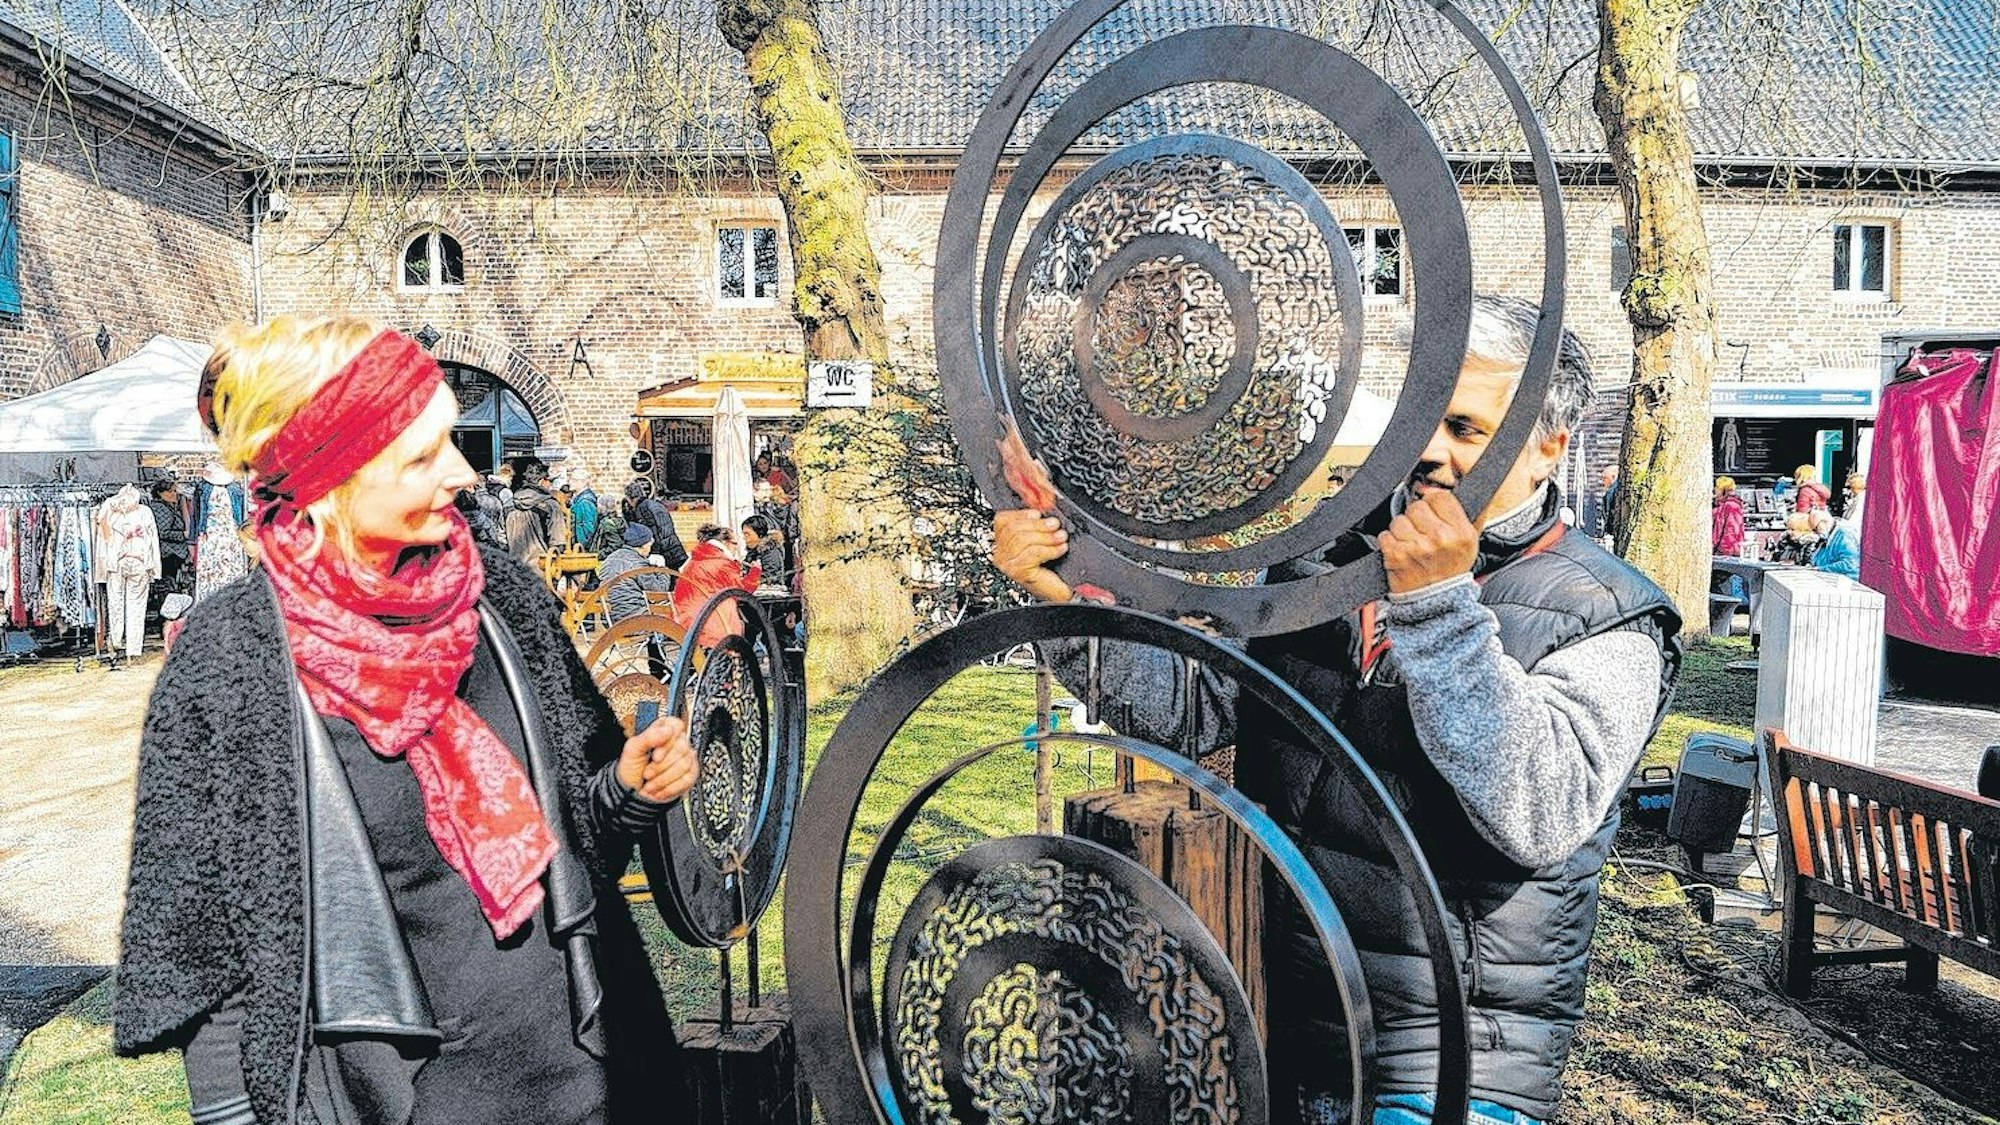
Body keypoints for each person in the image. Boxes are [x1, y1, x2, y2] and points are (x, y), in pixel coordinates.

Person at [992, 294, 1682, 1125]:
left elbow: (1538, 810)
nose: (1430, 450)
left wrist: (1436, 605)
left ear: (1548, 449)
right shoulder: (1325, 562)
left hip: (1450, 1071)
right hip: (1283, 1033)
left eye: (1467, 428)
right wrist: (1067, 604)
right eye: (1422, 415)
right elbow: (1198, 705)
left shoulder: (1605, 614)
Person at [117, 316, 696, 1125]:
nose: (461, 471)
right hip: (397, 1106)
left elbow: (579, 851)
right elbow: (204, 957)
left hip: (594, 1084)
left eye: (450, 440)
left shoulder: (501, 598)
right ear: (329, 476)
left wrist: (628, 790)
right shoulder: (231, 662)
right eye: (421, 457)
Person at [670, 523, 762, 649]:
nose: (736, 548)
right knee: (752, 625)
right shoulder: (722, 563)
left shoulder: (693, 560)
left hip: (684, 618)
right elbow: (741, 592)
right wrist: (755, 573)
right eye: (735, 544)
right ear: (724, 543)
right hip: (709, 621)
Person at [598, 523, 673, 625]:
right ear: (643, 545)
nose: (650, 548)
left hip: (609, 620)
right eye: (650, 544)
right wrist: (661, 569)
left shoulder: (609, 559)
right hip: (635, 620)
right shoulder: (638, 563)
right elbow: (659, 591)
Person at [505, 457, 568, 565]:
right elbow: (557, 540)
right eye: (549, 481)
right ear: (542, 481)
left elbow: (501, 539)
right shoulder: (550, 505)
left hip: (514, 566)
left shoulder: (509, 504)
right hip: (540, 565)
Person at [621, 479, 688, 571]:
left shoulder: (643, 509)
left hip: (663, 551)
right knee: (674, 574)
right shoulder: (655, 504)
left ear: (630, 498)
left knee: (665, 577)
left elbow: (652, 532)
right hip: (673, 547)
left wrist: (654, 553)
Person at [143, 479, 190, 594]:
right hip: (167, 553)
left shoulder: (167, 506)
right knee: (166, 585)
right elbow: (162, 532)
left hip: (169, 553)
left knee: (169, 584)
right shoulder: (160, 508)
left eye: (175, 491)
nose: (174, 494)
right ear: (160, 493)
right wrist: (183, 535)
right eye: (170, 491)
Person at [1809, 507, 1860, 579]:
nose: (1816, 532)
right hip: (1831, 578)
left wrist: (1821, 569)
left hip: (1848, 579)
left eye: (1816, 529)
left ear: (1824, 522)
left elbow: (1850, 564)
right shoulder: (1829, 534)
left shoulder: (1844, 533)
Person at [740, 513, 784, 582]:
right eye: (744, 534)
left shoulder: (771, 553)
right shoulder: (753, 553)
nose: (744, 538)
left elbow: (769, 578)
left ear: (760, 534)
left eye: (747, 534)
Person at [1712, 475, 1746, 559]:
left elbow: (1721, 530)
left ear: (1723, 489)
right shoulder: (1734, 504)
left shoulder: (1728, 506)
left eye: (1717, 487)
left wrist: (1713, 547)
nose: (1714, 490)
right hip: (1734, 548)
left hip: (1725, 550)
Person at [569, 468, 600, 551]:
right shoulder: (579, 499)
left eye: (573, 480)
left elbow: (588, 527)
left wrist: (582, 545)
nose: (570, 482)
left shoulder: (585, 501)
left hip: (582, 547)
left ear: (583, 482)